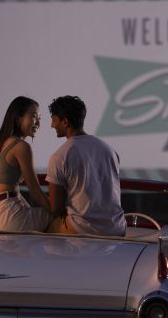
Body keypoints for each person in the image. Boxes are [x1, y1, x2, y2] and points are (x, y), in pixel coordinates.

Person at [45, 95, 126, 236]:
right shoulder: (109, 150)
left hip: (82, 230)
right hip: (117, 229)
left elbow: (56, 209)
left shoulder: (60, 156)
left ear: (65, 122)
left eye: (54, 120)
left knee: (43, 227)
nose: (52, 125)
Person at [0, 96, 52, 232]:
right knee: (59, 218)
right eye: (34, 117)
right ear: (18, 118)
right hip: (6, 213)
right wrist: (58, 210)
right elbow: (35, 190)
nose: (38, 124)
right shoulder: (21, 146)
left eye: (39, 119)